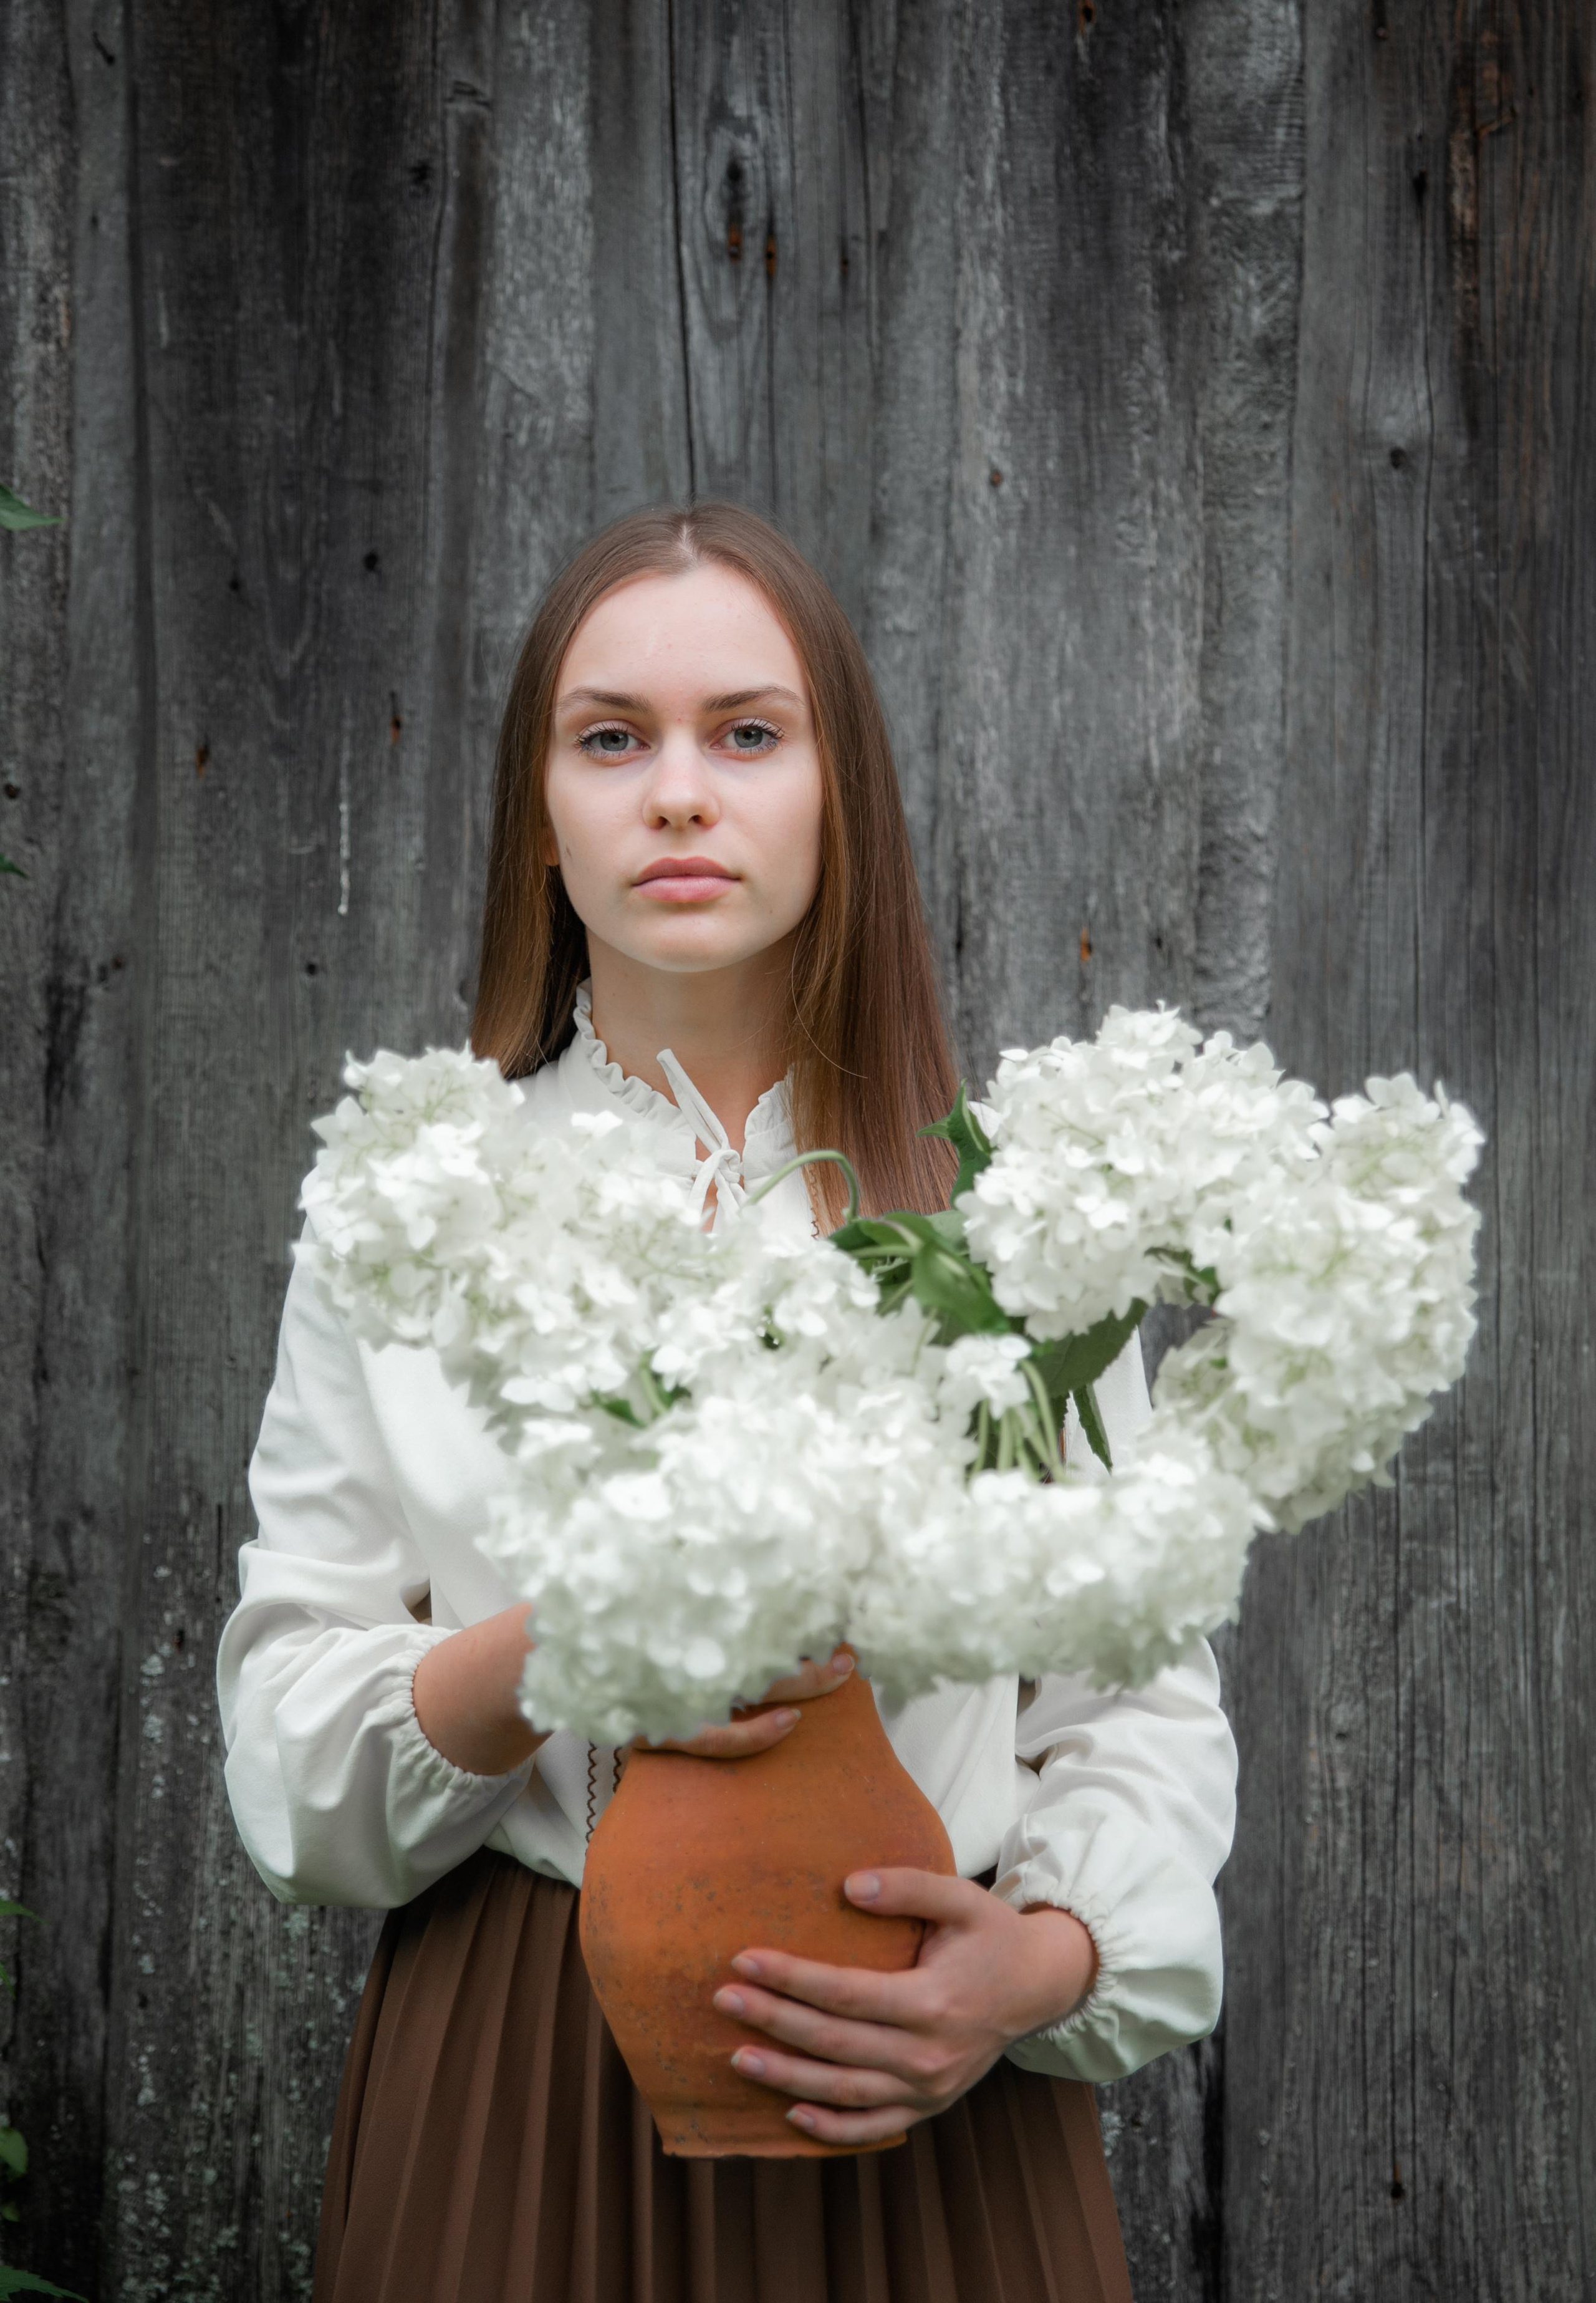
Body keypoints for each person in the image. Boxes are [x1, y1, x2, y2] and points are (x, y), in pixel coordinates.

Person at [217, 501, 1237, 2302]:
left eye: (748, 733)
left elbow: (1137, 1700)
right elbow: (293, 1750)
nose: (679, 795)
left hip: (923, 2073)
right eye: (612, 738)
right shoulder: (409, 1204)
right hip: (519, 2073)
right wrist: (571, 1643)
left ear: (842, 797)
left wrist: (1046, 1962)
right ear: (541, 814)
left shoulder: (1016, 1218)